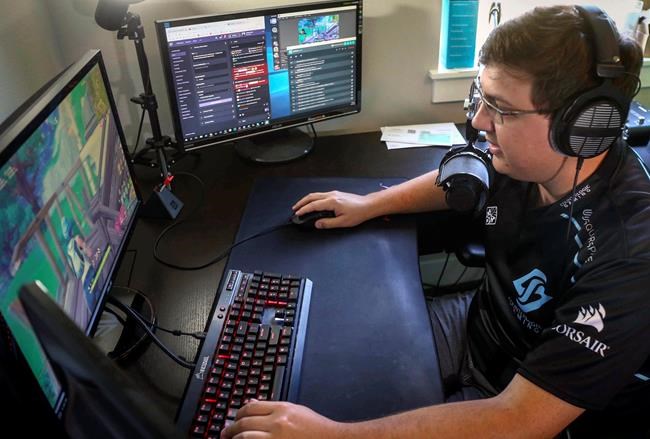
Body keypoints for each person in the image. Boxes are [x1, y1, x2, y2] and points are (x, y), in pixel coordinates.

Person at [222, 5, 649, 438]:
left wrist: (329, 435)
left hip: (523, 402)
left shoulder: (632, 256)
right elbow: (467, 174)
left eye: (501, 109)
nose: (479, 121)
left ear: (579, 127)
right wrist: (370, 203)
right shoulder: (524, 160)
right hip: (476, 330)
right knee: (327, 359)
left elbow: (519, 420)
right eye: (482, 98)